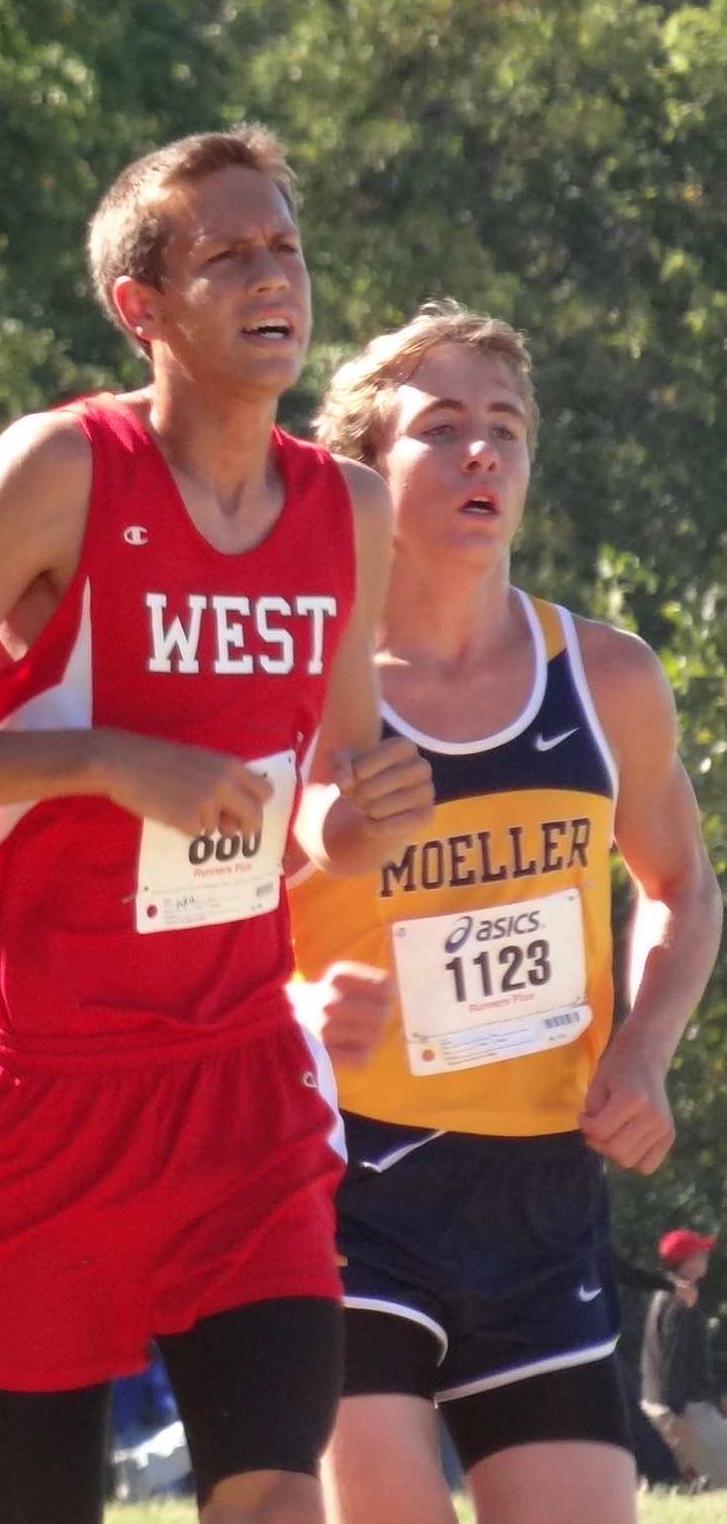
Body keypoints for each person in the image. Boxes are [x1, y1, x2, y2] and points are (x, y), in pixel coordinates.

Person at [0, 125, 434, 1524]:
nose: (272, 276)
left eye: (284, 247)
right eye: (227, 255)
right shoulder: (63, 471)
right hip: (48, 1092)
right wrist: (102, 760)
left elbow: (324, 795)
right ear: (138, 305)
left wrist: (360, 815)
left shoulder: (348, 508)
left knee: (272, 1496)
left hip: (239, 1080)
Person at [290, 302, 723, 1524]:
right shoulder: (300, 684)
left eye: (506, 428)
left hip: (538, 1189)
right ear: (364, 473)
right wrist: (291, 1007)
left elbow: (683, 888)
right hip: (340, 1174)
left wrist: (642, 1051)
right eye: (439, 428)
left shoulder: (606, 677)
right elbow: (194, 913)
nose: (481, 451)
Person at [641, 1228, 727, 1486]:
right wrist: (675, 1413)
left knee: (681, 1485)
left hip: (669, 1404)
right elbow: (673, 1361)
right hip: (681, 1410)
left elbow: (689, 1361)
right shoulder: (678, 1301)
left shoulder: (668, 1294)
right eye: (700, 1254)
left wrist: (717, 1397)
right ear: (685, 1261)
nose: (706, 1258)